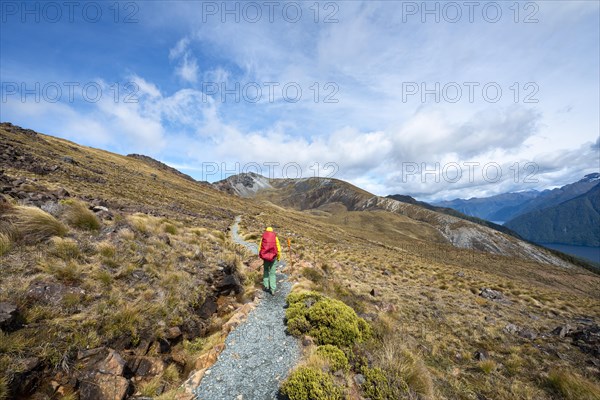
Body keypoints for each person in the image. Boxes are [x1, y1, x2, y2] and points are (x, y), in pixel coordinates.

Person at [258, 226, 281, 295]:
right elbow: (278, 249)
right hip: (273, 258)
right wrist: (278, 257)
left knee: (265, 271)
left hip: (265, 258)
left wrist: (261, 256)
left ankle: (266, 286)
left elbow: (260, 248)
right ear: (272, 231)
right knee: (272, 273)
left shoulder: (263, 237)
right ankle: (273, 289)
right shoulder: (275, 237)